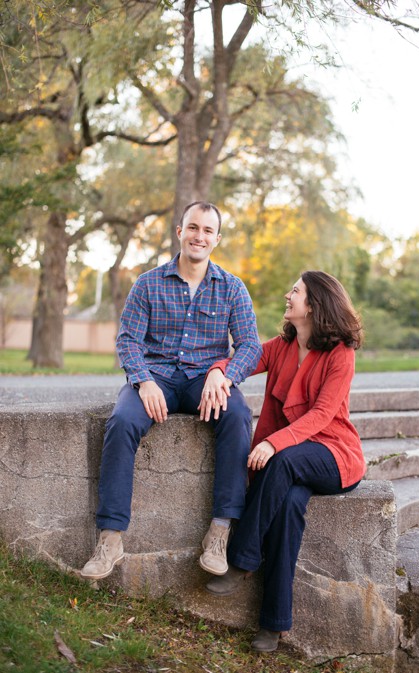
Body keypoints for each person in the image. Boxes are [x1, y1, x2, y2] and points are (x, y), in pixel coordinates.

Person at [80, 201, 262, 581]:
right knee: (122, 421)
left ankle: (220, 531)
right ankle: (110, 538)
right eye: (193, 227)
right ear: (179, 231)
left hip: (204, 380)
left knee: (239, 416)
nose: (199, 236)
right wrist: (144, 380)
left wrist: (224, 374)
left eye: (208, 231)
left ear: (217, 239)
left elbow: (249, 345)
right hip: (156, 376)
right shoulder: (148, 283)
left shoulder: (232, 288)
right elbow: (128, 340)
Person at [202, 270, 365, 653]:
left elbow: (324, 414)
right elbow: (241, 361)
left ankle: (241, 559)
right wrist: (216, 373)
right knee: (289, 506)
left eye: (296, 291)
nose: (288, 295)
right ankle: (273, 626)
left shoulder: (340, 352)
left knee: (285, 462)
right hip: (291, 455)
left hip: (334, 454)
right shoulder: (281, 347)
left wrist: (274, 444)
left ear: (315, 304)